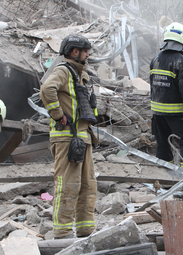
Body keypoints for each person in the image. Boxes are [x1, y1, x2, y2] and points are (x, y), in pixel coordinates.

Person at [40, 34, 98, 239]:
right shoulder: (63, 71)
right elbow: (47, 89)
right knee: (68, 186)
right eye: (85, 51)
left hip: (83, 138)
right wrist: (57, 114)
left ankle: (85, 230)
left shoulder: (80, 74)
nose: (88, 54)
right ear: (75, 52)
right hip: (67, 139)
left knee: (87, 185)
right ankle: (62, 233)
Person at [150, 22, 183, 169]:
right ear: (182, 39)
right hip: (176, 113)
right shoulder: (181, 61)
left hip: (158, 114)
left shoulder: (155, 60)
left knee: (163, 145)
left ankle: (165, 177)